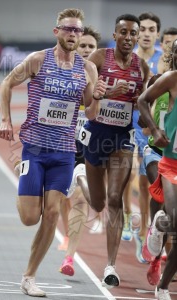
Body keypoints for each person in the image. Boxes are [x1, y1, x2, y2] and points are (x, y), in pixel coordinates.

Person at [0, 8, 107, 297]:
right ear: (56, 31)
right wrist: (6, 119)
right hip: (34, 148)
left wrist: (95, 98)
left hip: (63, 152)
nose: (73, 34)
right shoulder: (38, 60)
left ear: (81, 34)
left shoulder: (88, 69)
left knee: (53, 214)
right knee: (29, 218)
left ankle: (29, 276)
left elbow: (92, 113)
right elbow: (6, 83)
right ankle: (26, 187)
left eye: (77, 30)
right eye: (68, 29)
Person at [78, 14, 149, 288]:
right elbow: (84, 101)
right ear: (115, 34)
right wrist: (107, 93)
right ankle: (80, 175)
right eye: (124, 32)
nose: (129, 37)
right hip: (97, 134)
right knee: (97, 204)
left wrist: (144, 114)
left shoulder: (141, 67)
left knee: (115, 198)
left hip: (121, 138)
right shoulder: (98, 58)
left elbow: (146, 109)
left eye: (133, 33)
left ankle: (110, 265)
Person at [59, 26, 103, 276]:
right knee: (61, 198)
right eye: (82, 45)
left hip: (89, 145)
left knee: (79, 200)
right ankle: (67, 234)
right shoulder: (62, 70)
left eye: (91, 47)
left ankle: (70, 257)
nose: (86, 50)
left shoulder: (100, 76)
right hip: (61, 142)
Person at [138, 40, 177, 300]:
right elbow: (142, 101)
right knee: (174, 219)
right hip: (171, 164)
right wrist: (154, 129)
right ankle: (159, 225)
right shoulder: (172, 79)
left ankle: (162, 286)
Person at [130, 12, 162, 263]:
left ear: (157, 34)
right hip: (122, 120)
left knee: (146, 175)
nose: (147, 33)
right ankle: (138, 226)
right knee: (127, 176)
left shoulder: (164, 60)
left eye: (152, 29)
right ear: (136, 32)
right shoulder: (128, 57)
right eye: (143, 29)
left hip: (146, 124)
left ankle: (147, 229)